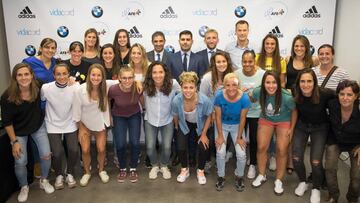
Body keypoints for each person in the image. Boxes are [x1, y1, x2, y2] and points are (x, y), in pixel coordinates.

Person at [1, 63, 54, 202]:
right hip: (18, 131)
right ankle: (24, 186)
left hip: (37, 126)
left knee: (46, 155)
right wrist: (14, 142)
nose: (24, 77)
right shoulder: (7, 96)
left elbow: (57, 84)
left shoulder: (39, 86)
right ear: (15, 77)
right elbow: (7, 122)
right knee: (20, 161)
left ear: (32, 75)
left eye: (26, 74)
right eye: (20, 75)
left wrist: (71, 80)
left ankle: (44, 180)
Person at [250, 71, 297, 195]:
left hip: (284, 120)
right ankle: (261, 174)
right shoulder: (258, 91)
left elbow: (294, 111)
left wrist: (292, 128)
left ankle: (279, 180)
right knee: (261, 147)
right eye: (268, 82)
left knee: (282, 149)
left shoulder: (287, 97)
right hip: (266, 119)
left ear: (279, 83)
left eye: (274, 83)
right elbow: (252, 97)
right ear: (263, 83)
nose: (271, 86)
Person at [291, 69, 335, 203]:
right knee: (296, 157)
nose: (305, 85)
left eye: (309, 81)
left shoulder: (325, 93)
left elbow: (345, 95)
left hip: (320, 128)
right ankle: (303, 181)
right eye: (302, 81)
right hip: (302, 125)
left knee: (315, 161)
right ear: (298, 83)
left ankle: (316, 188)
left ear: (315, 82)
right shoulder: (295, 91)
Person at [72, 64, 117, 186]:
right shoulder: (80, 90)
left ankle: (102, 170)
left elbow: (123, 80)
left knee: (101, 149)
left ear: (102, 77)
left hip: (100, 122)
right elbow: (76, 110)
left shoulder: (107, 86)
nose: (96, 78)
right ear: (88, 75)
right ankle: (87, 172)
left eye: (99, 75)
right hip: (84, 123)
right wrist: (79, 126)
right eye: (93, 75)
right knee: (85, 150)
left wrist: (138, 83)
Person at [41, 63, 80, 190]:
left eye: (64, 73)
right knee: (57, 153)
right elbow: (41, 102)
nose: (61, 76)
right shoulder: (46, 88)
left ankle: (70, 173)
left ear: (69, 74)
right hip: (52, 123)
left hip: (70, 122)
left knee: (73, 150)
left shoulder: (75, 86)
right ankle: (58, 175)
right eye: (58, 74)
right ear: (54, 75)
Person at [172, 72, 213, 185]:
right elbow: (175, 115)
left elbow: (209, 116)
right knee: (180, 146)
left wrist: (204, 134)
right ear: (181, 87)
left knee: (203, 146)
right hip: (184, 124)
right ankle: (185, 169)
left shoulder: (204, 100)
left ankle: (200, 171)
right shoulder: (177, 100)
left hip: (201, 125)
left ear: (196, 87)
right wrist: (177, 128)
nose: (188, 90)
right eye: (185, 87)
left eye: (191, 87)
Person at [214, 73, 251, 191]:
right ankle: (221, 176)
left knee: (241, 154)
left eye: (234, 85)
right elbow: (218, 117)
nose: (231, 88)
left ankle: (239, 175)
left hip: (237, 126)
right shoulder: (219, 96)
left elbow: (242, 118)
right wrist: (220, 136)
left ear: (238, 85)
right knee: (220, 152)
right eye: (228, 85)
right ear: (224, 85)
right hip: (222, 126)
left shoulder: (244, 98)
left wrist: (239, 137)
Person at [143, 62, 180, 180]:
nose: (157, 75)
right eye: (154, 72)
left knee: (167, 147)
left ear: (165, 73)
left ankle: (164, 165)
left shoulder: (173, 83)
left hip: (167, 120)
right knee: (149, 147)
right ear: (150, 74)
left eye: (160, 72)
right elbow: (141, 99)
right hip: (150, 120)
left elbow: (181, 96)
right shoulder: (145, 85)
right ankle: (154, 165)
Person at [255, 33, 287, 171]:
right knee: (264, 134)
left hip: (276, 98)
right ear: (263, 45)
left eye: (272, 44)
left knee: (276, 131)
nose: (269, 46)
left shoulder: (280, 60)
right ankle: (263, 156)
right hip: (261, 98)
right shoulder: (257, 58)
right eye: (267, 43)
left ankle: (273, 156)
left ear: (276, 46)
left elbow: (282, 82)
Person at [325, 80, 360, 203]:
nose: (345, 98)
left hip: (356, 144)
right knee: (329, 168)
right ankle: (333, 195)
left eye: (349, 95)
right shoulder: (332, 104)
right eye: (342, 94)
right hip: (335, 140)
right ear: (337, 94)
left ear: (356, 96)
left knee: (357, 177)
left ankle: (353, 198)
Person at [200, 51, 233, 172]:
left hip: (227, 113)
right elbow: (202, 98)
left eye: (223, 61)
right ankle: (207, 161)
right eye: (218, 62)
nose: (221, 64)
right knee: (210, 138)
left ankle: (221, 157)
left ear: (227, 62)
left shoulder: (231, 76)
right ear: (214, 63)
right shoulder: (207, 78)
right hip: (210, 113)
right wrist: (212, 113)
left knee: (225, 138)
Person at [109, 66, 143, 183]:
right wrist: (109, 115)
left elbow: (142, 99)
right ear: (119, 78)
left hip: (134, 115)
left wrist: (145, 109)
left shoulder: (138, 87)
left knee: (135, 142)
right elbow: (107, 101)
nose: (127, 81)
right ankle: (122, 168)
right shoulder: (113, 89)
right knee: (120, 143)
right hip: (118, 116)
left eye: (130, 78)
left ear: (134, 78)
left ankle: (133, 167)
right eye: (124, 78)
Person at [235, 50, 265, 179]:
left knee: (254, 139)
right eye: (245, 62)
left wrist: (255, 98)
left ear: (255, 62)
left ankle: (252, 164)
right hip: (240, 112)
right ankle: (240, 161)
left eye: (250, 61)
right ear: (241, 62)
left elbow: (267, 92)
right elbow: (230, 92)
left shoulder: (262, 74)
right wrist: (239, 94)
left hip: (256, 112)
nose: (247, 64)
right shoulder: (236, 74)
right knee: (239, 138)